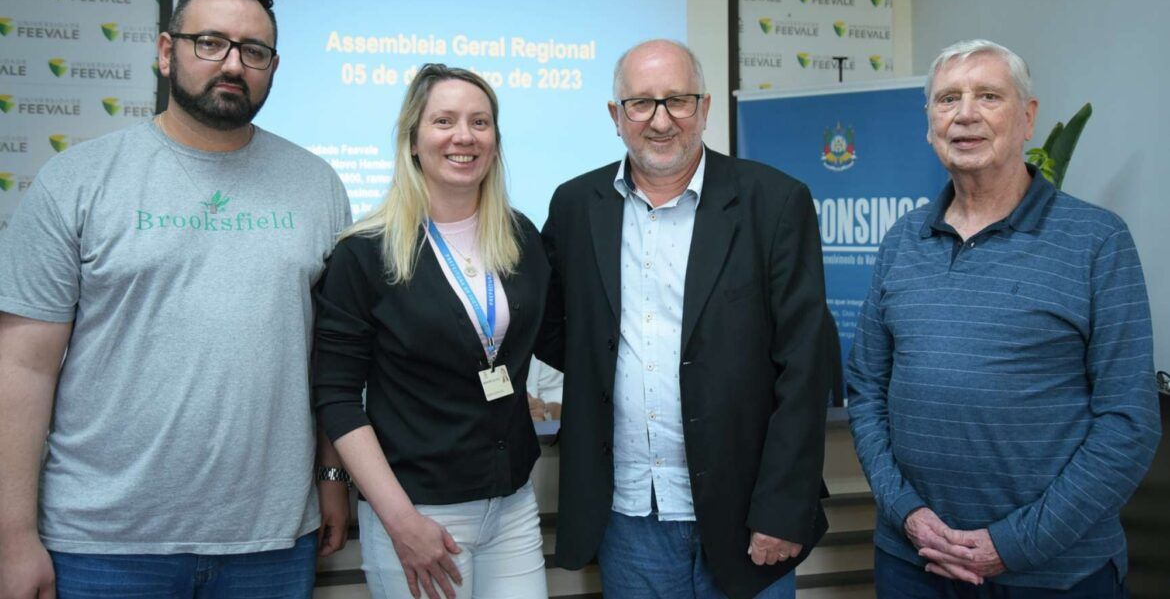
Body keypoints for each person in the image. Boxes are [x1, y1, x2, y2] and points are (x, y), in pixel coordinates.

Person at [0, 0, 351, 599]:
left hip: (270, 543)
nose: (233, 64)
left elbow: (331, 355)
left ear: (273, 68)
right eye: (210, 43)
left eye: (254, 51)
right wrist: (12, 536)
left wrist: (331, 475)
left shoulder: (317, 185)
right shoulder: (76, 181)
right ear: (167, 52)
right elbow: (22, 368)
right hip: (103, 545)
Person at [847, 39, 1161, 597]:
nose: (965, 114)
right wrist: (907, 514)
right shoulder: (901, 241)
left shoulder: (1097, 240)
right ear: (929, 123)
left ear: (1028, 118)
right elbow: (867, 390)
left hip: (1054, 575)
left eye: (989, 96)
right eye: (948, 99)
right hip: (914, 562)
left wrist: (1013, 545)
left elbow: (1128, 422)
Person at [540, 39, 837, 599]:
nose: (660, 121)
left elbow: (805, 367)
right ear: (616, 116)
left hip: (748, 511)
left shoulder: (774, 202)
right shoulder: (576, 205)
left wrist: (782, 506)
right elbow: (557, 328)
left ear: (704, 108)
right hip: (630, 513)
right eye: (641, 103)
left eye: (677, 100)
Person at [314, 64, 551, 599]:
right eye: (444, 121)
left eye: (480, 122)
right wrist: (401, 521)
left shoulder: (521, 238)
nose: (464, 136)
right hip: (418, 513)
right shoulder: (365, 253)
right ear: (413, 140)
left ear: (495, 141)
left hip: (512, 504)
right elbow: (337, 397)